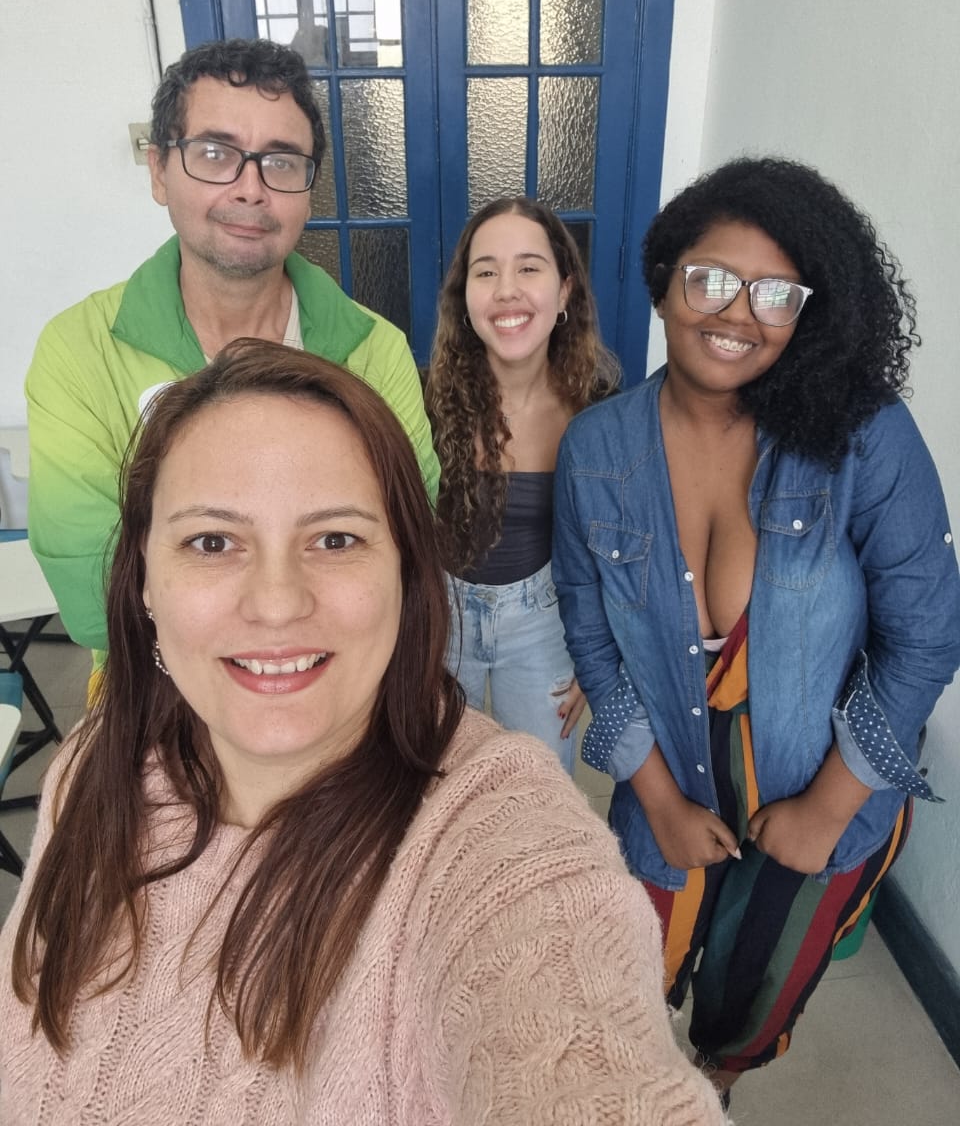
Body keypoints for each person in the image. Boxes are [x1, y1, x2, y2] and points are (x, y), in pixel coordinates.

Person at [0, 341, 724, 1126]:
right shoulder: (91, 767)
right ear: (144, 579)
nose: (277, 603)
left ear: (407, 576)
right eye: (212, 542)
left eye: (336, 539)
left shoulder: (490, 835)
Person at [553, 157, 960, 1104]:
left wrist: (827, 810)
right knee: (626, 986)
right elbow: (592, 636)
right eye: (710, 279)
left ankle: (714, 1090)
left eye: (776, 293)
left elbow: (927, 635)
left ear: (805, 313)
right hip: (665, 783)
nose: (737, 313)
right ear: (663, 282)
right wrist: (657, 801)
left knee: (748, 1004)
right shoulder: (596, 448)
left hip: (824, 794)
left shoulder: (862, 436)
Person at [26, 37, 438, 657]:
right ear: (159, 170)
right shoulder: (80, 352)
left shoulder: (374, 349)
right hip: (153, 688)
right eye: (216, 154)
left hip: (336, 677)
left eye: (281, 161)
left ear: (308, 190)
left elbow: (408, 547)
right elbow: (92, 596)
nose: (250, 189)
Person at [424, 198, 619, 772]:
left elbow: (617, 546)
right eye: (486, 272)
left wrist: (597, 655)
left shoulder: (599, 410)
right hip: (438, 620)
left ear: (564, 292)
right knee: (432, 785)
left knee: (539, 784)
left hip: (545, 624)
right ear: (465, 298)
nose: (506, 290)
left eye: (529, 268)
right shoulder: (422, 400)